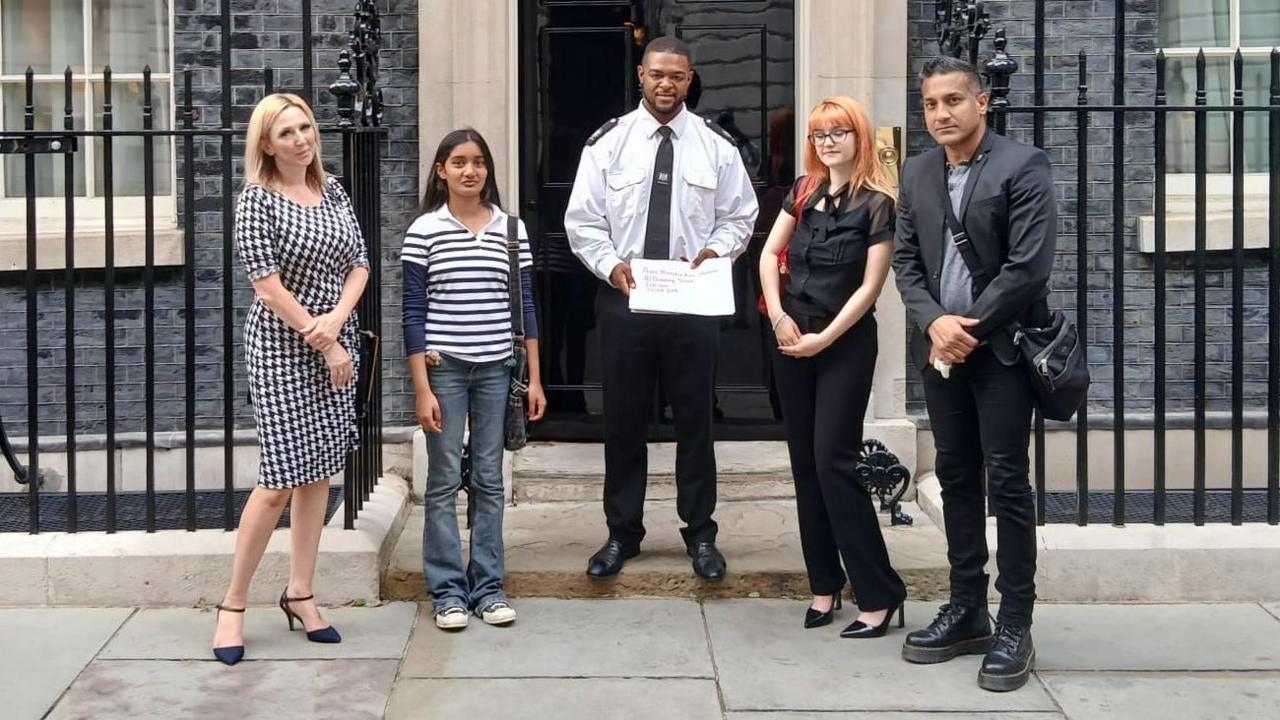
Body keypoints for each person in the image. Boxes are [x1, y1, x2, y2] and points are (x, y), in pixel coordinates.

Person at [564, 36, 758, 580]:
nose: (666, 84)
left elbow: (740, 216)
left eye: (676, 76)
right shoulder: (609, 144)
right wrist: (610, 265)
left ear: (689, 78)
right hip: (626, 298)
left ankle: (701, 534)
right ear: (641, 77)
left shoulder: (716, 146)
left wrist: (716, 251)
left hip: (693, 300)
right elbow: (583, 221)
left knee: (696, 421)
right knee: (623, 422)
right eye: (657, 75)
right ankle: (622, 533)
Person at [893, 56, 1056, 692]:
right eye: (932, 104)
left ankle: (1016, 620)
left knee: (1008, 483)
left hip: (1002, 352)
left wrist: (968, 329)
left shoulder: (1023, 166)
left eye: (954, 101)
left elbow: (1027, 268)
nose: (941, 114)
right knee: (956, 476)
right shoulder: (917, 172)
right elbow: (907, 263)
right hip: (940, 350)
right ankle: (968, 609)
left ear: (981, 102)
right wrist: (937, 323)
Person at [212, 92, 369, 665]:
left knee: (321, 473)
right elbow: (266, 284)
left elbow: (360, 264)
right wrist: (322, 336)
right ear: (266, 145)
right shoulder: (257, 200)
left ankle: (301, 592)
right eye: (286, 133)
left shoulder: (335, 192)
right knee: (279, 478)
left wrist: (338, 323)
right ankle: (233, 604)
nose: (301, 139)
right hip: (282, 347)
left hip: (334, 339)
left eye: (305, 127)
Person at [758, 96, 907, 638]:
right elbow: (766, 257)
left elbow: (870, 289)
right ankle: (825, 585)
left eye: (838, 132)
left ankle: (880, 593)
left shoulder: (879, 203)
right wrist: (777, 318)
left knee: (834, 463)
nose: (827, 142)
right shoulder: (802, 191)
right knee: (803, 467)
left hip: (841, 344)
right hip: (792, 341)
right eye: (820, 134)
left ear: (859, 137)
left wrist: (824, 338)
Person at [402, 128, 547, 631]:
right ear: (440, 170)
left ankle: (488, 586)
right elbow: (413, 312)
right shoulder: (424, 231)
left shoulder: (512, 229)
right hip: (443, 370)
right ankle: (447, 591)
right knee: (442, 481)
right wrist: (421, 386)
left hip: (496, 369)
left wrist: (535, 379)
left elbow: (525, 306)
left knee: (489, 478)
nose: (471, 171)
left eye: (479, 162)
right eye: (459, 162)